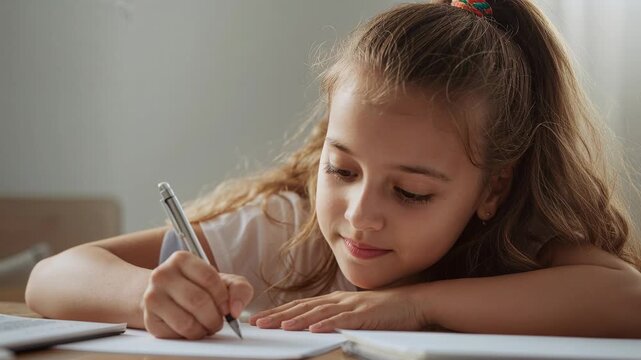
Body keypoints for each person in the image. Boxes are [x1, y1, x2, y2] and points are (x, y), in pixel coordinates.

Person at [26, 0, 641, 340]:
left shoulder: (518, 247)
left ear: (493, 188)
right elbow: (52, 278)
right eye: (341, 170)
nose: (360, 216)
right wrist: (143, 296)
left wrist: (415, 306)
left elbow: (628, 297)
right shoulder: (285, 236)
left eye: (411, 192)